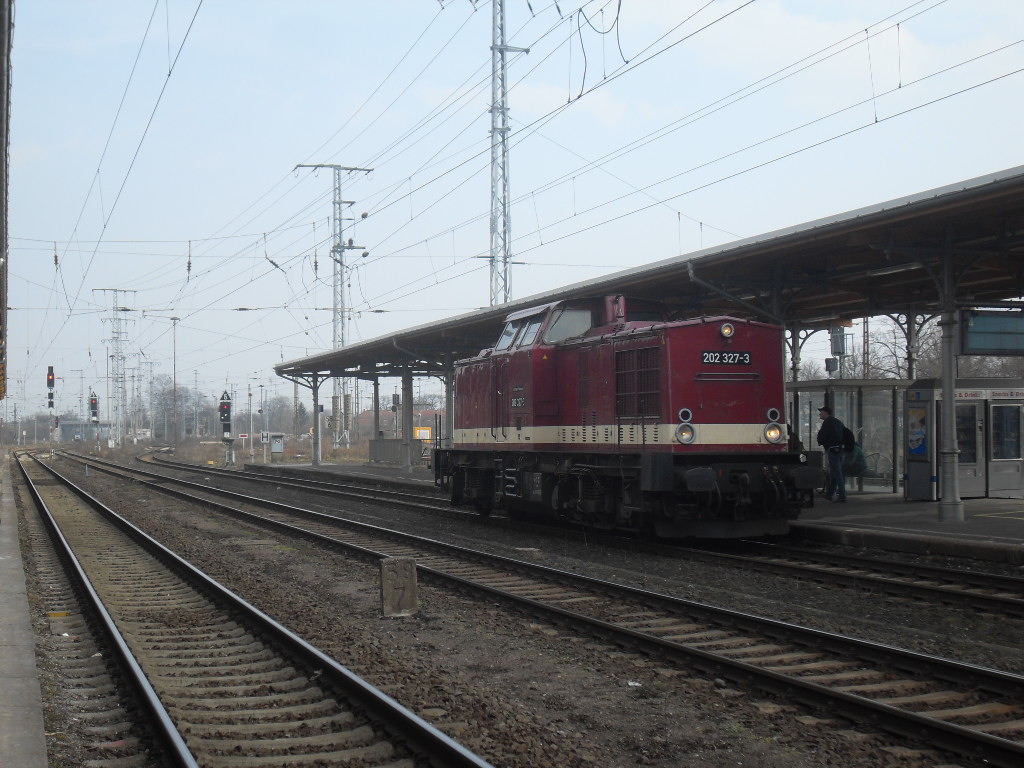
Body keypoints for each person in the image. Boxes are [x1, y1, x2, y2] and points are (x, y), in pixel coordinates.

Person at [815, 405, 847, 503]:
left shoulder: (827, 422)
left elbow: (822, 436)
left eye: (821, 412)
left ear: (826, 412)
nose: (820, 414)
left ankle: (842, 495)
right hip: (841, 449)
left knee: (837, 473)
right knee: (835, 472)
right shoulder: (838, 422)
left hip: (833, 449)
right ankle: (829, 494)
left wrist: (820, 440)